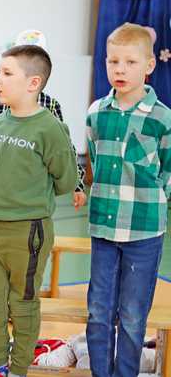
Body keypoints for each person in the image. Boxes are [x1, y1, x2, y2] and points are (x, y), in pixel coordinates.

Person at [0, 45, 78, 377]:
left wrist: (31, 195)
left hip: (27, 233)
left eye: (6, 73)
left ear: (33, 83)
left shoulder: (50, 128)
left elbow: (66, 179)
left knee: (23, 303)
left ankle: (18, 369)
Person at [85, 22, 171, 377]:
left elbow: (167, 168)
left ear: (149, 65)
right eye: (113, 61)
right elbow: (93, 156)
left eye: (130, 62)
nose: (119, 70)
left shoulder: (162, 118)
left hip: (144, 231)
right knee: (99, 313)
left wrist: (158, 197)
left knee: (133, 316)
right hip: (104, 229)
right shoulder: (97, 112)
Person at [0, 30, 86, 212]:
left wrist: (77, 185)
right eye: (1, 72)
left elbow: (64, 150)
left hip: (30, 197)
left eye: (7, 73)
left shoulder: (50, 106)